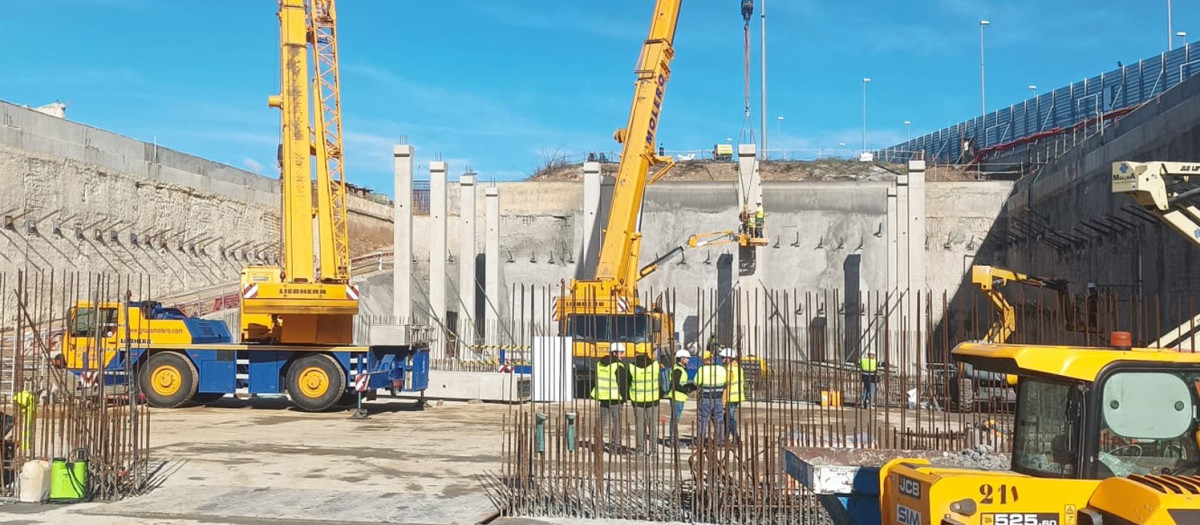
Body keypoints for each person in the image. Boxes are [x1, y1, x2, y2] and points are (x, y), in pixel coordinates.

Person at [591, 344, 629, 452]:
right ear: (615, 353)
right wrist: (624, 397)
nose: (622, 355)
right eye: (621, 353)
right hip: (615, 398)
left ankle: (598, 443)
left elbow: (595, 379)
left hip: (603, 397)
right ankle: (615, 445)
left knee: (602, 420)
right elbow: (622, 384)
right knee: (617, 422)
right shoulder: (618, 366)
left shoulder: (599, 364)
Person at [627, 350, 661, 456]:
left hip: (638, 400)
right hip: (652, 399)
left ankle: (640, 450)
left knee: (639, 425)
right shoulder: (655, 365)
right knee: (652, 425)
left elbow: (628, 382)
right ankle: (653, 450)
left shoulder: (631, 366)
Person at [693, 350, 728, 447]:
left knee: (703, 420)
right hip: (718, 399)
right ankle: (720, 441)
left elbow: (696, 382)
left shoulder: (702, 370)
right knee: (719, 419)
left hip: (705, 398)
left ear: (704, 360)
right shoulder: (721, 369)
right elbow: (725, 383)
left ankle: (700, 440)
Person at [667, 349, 695, 447]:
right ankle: (673, 441)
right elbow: (675, 385)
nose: (688, 360)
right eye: (687, 358)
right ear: (682, 359)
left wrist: (690, 386)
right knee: (675, 419)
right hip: (677, 397)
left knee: (675, 419)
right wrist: (686, 389)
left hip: (679, 397)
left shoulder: (680, 368)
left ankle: (673, 440)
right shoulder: (678, 370)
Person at [722, 348, 745, 443]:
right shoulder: (738, 368)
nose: (722, 360)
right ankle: (725, 437)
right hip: (737, 396)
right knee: (727, 417)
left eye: (723, 358)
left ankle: (736, 437)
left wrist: (723, 400)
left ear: (729, 358)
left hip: (730, 397)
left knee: (729, 417)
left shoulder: (729, 370)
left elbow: (727, 386)